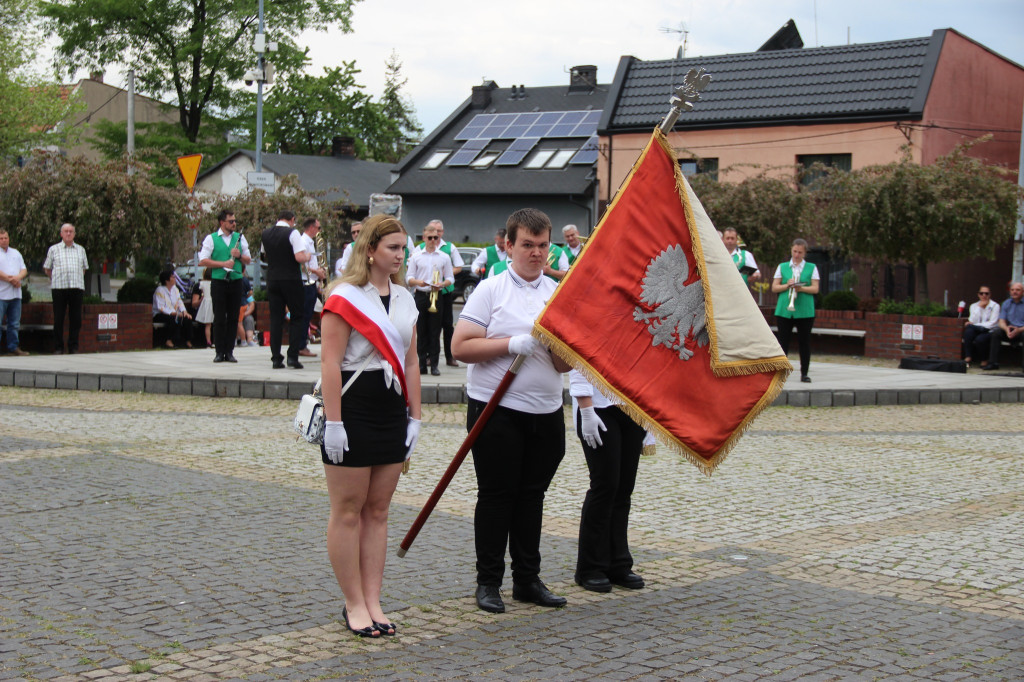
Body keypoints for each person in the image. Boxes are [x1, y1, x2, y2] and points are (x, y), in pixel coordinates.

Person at [452, 207, 572, 615]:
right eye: (527, 245)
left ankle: (527, 579)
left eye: (543, 246)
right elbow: (461, 346)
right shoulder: (491, 289)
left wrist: (568, 349)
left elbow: (561, 365)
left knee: (532, 497)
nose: (536, 254)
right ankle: (489, 582)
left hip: (546, 411)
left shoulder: (554, 295)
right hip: (496, 409)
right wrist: (510, 343)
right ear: (508, 245)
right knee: (497, 496)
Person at [319, 214, 422, 638]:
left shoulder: (404, 299)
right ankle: (353, 603)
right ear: (370, 249)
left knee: (378, 512)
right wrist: (334, 422)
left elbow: (412, 362)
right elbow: (329, 361)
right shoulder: (345, 295)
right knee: (347, 511)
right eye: (392, 247)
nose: (399, 255)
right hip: (352, 407)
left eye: (403, 248)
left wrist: (415, 416)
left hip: (390, 409)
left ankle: (374, 600)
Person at [570, 370, 646, 593]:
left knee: (624, 488)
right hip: (598, 405)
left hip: (633, 402)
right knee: (605, 485)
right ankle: (590, 567)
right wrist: (585, 408)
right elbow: (578, 357)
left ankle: (618, 562)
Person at [198, 211, 251, 363]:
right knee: (219, 317)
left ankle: (230, 351)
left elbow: (248, 259)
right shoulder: (211, 238)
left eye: (235, 220)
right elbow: (203, 260)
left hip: (236, 281)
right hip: (219, 281)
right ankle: (219, 351)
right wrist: (222, 264)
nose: (234, 223)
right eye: (230, 221)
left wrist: (239, 256)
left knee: (234, 318)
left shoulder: (240, 238)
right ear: (222, 222)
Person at [261, 210, 310, 369]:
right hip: (290, 279)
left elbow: (263, 256)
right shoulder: (292, 232)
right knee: (296, 316)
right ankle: (292, 357)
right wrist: (308, 256)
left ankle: (276, 358)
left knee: (276, 319)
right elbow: (299, 257)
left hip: (273, 278)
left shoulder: (266, 233)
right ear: (292, 220)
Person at [416, 219, 464, 367]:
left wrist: (442, 275)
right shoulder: (421, 248)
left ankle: (450, 356)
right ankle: (429, 357)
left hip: (444, 292)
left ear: (442, 233)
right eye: (432, 232)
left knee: (447, 325)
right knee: (428, 326)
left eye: (438, 232)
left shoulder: (449, 248)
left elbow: (459, 267)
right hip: (427, 291)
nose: (435, 235)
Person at [406, 223, 453, 376]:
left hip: (437, 295)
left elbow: (450, 278)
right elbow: (409, 278)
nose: (433, 240)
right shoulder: (416, 256)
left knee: (435, 331)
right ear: (424, 238)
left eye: (436, 237)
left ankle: (434, 365)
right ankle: (421, 365)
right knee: (421, 331)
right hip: (421, 294)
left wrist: (442, 283)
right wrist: (419, 282)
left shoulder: (444, 257)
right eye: (430, 238)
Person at [772, 238, 819, 383]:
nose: (796, 255)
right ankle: (780, 374)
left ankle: (804, 373)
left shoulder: (811, 267)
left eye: (800, 252)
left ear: (804, 253)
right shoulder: (783, 266)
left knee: (804, 342)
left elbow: (815, 288)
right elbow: (774, 287)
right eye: (794, 251)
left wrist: (801, 288)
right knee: (783, 342)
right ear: (791, 250)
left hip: (804, 310)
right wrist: (787, 285)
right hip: (785, 309)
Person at [43, 223, 89, 354]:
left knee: (76, 319)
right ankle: (58, 347)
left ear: (74, 234)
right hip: (59, 288)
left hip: (76, 287)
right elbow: (47, 268)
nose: (68, 234)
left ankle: (73, 346)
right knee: (58, 318)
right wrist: (56, 278)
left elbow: (84, 269)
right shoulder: (53, 249)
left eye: (71, 231)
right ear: (61, 234)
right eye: (66, 231)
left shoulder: (81, 249)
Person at [299, 217, 326, 358]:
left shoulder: (309, 242)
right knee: (305, 314)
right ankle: (301, 345)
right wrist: (317, 272)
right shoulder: (304, 242)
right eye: (318, 227)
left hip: (311, 281)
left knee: (308, 314)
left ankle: (302, 344)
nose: (319, 231)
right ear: (312, 228)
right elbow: (302, 265)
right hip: (306, 282)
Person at [0, 228, 29, 356]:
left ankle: (13, 347)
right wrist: (10, 279)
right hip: (1, 294)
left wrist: (17, 278)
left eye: (5, 237)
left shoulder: (16, 253)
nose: (4, 240)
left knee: (14, 323)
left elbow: (24, 269)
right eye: (1, 238)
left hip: (15, 295)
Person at [985, 281, 1024, 371]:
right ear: (1009, 292)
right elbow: (1001, 321)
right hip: (1009, 330)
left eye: (1017, 290)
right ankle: (993, 363)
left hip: (1022, 330)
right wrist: (1006, 329)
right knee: (996, 333)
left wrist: (1019, 330)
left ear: (1023, 292)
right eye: (1012, 290)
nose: (1014, 292)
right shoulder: (1006, 303)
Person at [153, 270, 193, 348]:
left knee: (187, 318)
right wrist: (174, 313)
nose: (175, 279)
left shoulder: (175, 289)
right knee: (174, 319)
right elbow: (161, 307)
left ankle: (188, 341)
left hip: (174, 313)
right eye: (173, 277)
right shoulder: (160, 290)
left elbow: (179, 301)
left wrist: (184, 312)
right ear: (167, 280)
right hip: (160, 314)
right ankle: (169, 341)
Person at [962, 286, 1000, 368]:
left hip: (989, 330)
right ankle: (968, 356)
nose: (984, 295)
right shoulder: (974, 306)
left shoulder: (995, 306)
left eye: (986, 293)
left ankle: (984, 359)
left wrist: (976, 325)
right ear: (978, 295)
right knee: (968, 331)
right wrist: (979, 307)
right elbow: (972, 320)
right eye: (981, 293)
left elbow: (992, 323)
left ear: (990, 295)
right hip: (976, 329)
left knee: (980, 339)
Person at [192, 268, 215, 347]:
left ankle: (208, 341)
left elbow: (202, 293)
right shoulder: (215, 283)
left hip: (206, 304)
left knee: (207, 325)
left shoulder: (201, 284)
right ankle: (215, 341)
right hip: (213, 303)